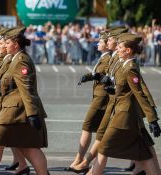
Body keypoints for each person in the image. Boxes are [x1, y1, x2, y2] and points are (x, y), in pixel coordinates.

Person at [0, 26, 49, 175]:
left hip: (17, 111)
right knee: (27, 147)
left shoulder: (21, 60)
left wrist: (32, 114)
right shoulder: (14, 59)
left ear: (16, 43)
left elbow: (26, 88)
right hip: (12, 109)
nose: (3, 45)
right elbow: (11, 83)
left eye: (6, 42)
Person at [91, 32, 160, 175]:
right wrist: (112, 89)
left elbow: (140, 94)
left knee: (103, 148)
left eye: (120, 47)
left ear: (128, 51)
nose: (117, 49)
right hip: (124, 115)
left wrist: (152, 119)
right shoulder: (125, 65)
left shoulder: (130, 68)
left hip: (124, 116)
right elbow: (122, 89)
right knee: (144, 154)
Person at [66, 31, 111, 174]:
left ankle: (81, 161)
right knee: (97, 131)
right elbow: (97, 74)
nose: (98, 44)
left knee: (89, 127)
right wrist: (88, 77)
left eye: (101, 42)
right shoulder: (104, 57)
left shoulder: (109, 58)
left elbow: (109, 76)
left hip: (102, 98)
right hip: (99, 97)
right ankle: (81, 161)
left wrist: (100, 77)